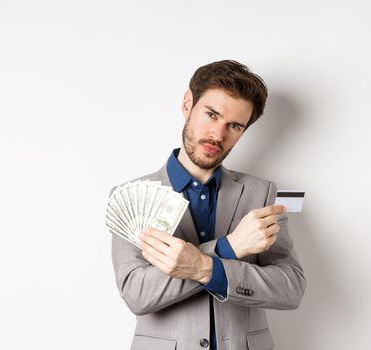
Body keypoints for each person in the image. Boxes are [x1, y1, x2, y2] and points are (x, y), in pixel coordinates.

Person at [110, 59, 306, 350]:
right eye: (211, 114)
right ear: (188, 103)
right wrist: (228, 249)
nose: (218, 134)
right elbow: (137, 295)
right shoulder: (130, 197)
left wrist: (205, 268)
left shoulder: (263, 193)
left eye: (235, 126)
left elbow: (291, 289)